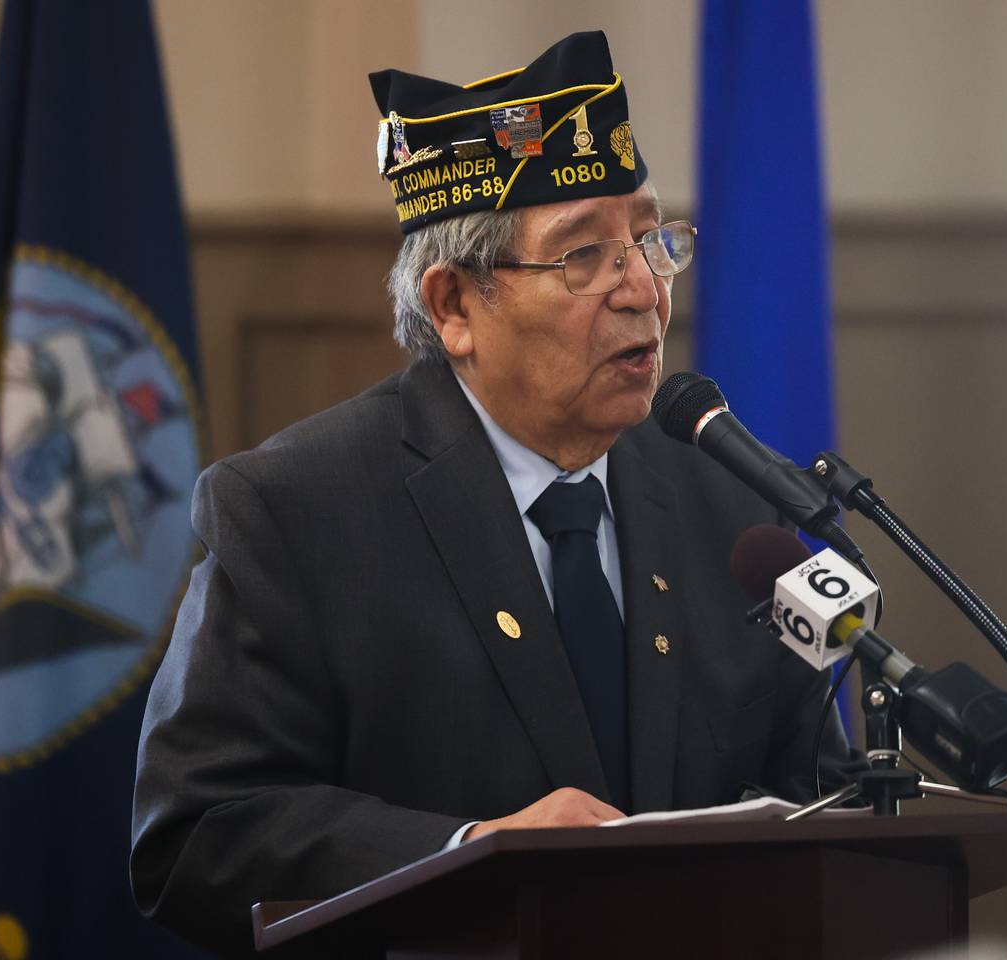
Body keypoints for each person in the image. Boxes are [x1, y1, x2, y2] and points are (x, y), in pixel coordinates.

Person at [130, 31, 853, 956]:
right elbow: (195, 833)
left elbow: (818, 799)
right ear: (455, 307)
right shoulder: (293, 512)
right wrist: (470, 853)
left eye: (648, 238)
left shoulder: (732, 499)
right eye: (583, 256)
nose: (641, 289)